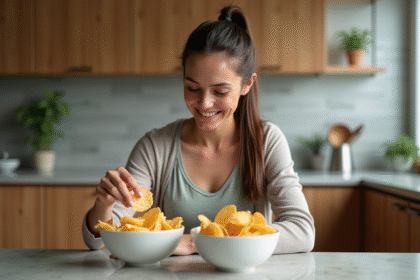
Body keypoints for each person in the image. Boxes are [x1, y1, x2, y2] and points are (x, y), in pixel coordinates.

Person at [82, 6, 315, 255]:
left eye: (220, 91)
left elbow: (302, 232)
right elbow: (101, 238)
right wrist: (103, 205)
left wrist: (197, 242)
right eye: (193, 88)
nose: (204, 104)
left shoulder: (266, 140)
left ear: (247, 84)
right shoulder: (155, 147)